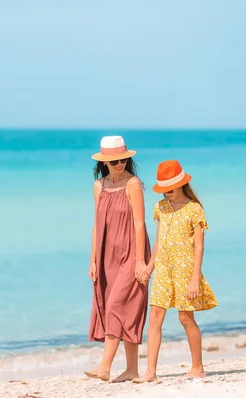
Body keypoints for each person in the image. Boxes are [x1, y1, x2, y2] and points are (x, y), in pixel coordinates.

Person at [135, 160, 218, 383]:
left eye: (170, 188)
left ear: (181, 183)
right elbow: (159, 241)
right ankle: (150, 372)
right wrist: (149, 267)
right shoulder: (160, 207)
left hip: (185, 271)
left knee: (185, 318)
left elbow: (199, 246)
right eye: (163, 188)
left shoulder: (194, 209)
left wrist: (194, 280)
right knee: (154, 317)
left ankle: (198, 367)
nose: (167, 192)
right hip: (163, 269)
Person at [85, 136, 152, 383]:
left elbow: (139, 222)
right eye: (114, 161)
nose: (120, 164)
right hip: (106, 256)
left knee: (116, 306)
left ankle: (104, 366)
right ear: (105, 162)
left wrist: (139, 260)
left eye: (123, 159)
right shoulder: (99, 186)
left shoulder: (132, 183)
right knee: (125, 309)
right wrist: (93, 260)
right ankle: (132, 370)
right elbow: (96, 225)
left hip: (132, 253)